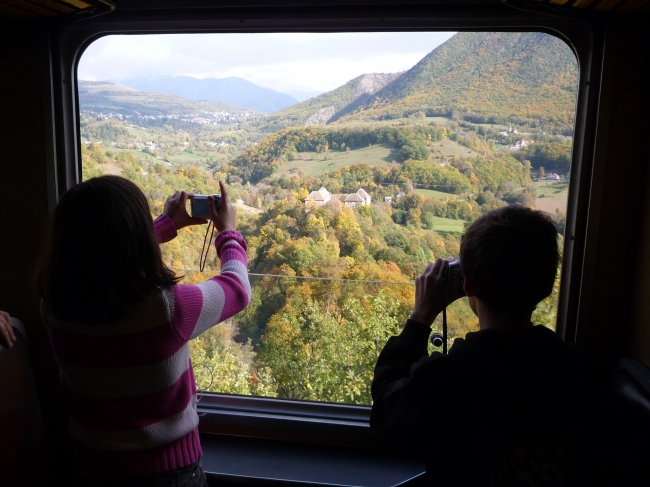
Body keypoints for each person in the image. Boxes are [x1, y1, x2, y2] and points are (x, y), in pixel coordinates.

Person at [37, 176, 250, 486]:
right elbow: (236, 288)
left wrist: (165, 224)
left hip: (89, 469)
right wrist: (229, 233)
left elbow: (99, 260)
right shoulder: (168, 309)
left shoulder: (53, 308)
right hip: (170, 473)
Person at [370, 205, 602, 486]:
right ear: (547, 285)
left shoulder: (446, 379)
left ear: (467, 285)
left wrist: (420, 317)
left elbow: (386, 410)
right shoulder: (580, 368)